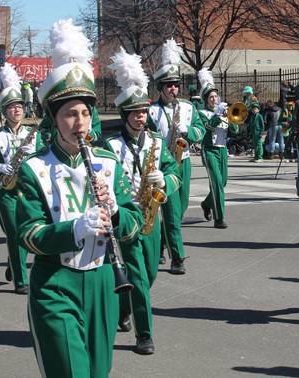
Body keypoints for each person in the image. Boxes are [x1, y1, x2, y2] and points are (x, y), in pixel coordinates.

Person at [15, 19, 144, 377]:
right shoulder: (34, 169)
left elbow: (133, 227)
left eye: (86, 112)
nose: (80, 123)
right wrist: (74, 229)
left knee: (97, 372)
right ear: (54, 120)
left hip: (104, 280)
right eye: (70, 114)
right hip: (56, 282)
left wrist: (117, 211)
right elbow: (28, 234)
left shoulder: (107, 163)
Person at [104, 47, 181, 354]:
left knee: (148, 275)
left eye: (144, 111)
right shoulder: (110, 146)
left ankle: (125, 306)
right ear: (125, 115)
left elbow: (174, 172)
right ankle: (144, 334)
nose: (141, 116)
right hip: (126, 214)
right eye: (135, 113)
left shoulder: (157, 141)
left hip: (152, 212)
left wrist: (165, 181)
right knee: (136, 272)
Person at [0, 63, 44, 294]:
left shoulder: (32, 135)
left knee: (26, 232)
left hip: (28, 190)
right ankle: (20, 281)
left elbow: (46, 159)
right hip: (6, 191)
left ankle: (12, 261)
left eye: (19, 107)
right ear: (4, 112)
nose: (16, 111)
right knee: (14, 232)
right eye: (11, 108)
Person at [147, 38, 205, 273]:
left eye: (176, 85)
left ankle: (162, 244)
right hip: (165, 165)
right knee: (170, 212)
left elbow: (200, 132)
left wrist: (187, 131)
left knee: (178, 212)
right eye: (169, 85)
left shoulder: (189, 108)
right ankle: (177, 258)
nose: (173, 89)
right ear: (160, 87)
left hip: (186, 163)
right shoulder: (152, 111)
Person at [197, 68, 239, 229]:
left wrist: (232, 119)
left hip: (222, 150)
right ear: (206, 100)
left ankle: (206, 204)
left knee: (223, 182)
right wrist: (218, 115)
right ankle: (219, 217)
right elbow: (207, 127)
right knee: (216, 183)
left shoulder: (223, 111)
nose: (214, 99)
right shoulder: (202, 113)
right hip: (209, 150)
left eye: (215, 96)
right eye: (211, 97)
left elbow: (233, 132)